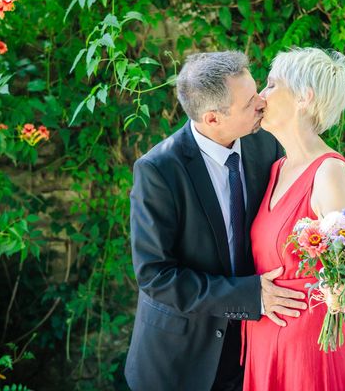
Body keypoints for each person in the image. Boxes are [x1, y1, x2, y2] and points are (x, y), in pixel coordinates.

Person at [124, 51, 307, 391]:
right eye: (249, 102)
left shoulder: (266, 145)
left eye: (258, 91)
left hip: (254, 349)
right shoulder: (159, 171)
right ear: (212, 119)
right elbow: (155, 276)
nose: (262, 103)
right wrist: (249, 296)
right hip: (180, 360)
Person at [243, 48, 345, 391]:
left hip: (307, 347)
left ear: (304, 98)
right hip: (263, 335)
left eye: (272, 85)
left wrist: (336, 290)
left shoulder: (329, 172)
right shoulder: (276, 168)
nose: (260, 96)